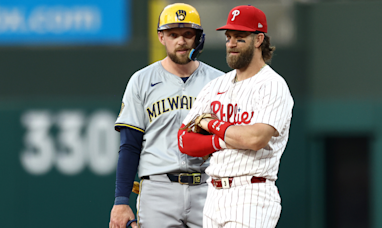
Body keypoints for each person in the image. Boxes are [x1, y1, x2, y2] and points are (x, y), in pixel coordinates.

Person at [109, 3, 224, 228]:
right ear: (161, 37)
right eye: (173, 34)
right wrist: (121, 201)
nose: (181, 41)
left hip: (207, 187)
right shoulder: (141, 80)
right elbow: (130, 145)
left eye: (187, 34)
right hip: (159, 189)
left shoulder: (219, 82)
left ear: (198, 39)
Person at [177, 5, 294, 228]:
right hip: (214, 194)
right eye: (229, 37)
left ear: (259, 40)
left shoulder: (272, 85)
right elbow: (184, 140)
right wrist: (226, 139)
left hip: (252, 191)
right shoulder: (215, 86)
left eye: (239, 38)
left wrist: (210, 123)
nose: (231, 43)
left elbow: (254, 139)